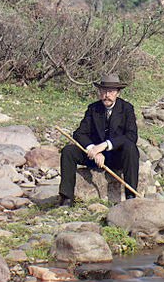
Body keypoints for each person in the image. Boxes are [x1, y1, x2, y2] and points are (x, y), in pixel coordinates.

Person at [58, 73, 139, 206]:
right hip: (94, 157)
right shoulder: (93, 109)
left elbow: (131, 136)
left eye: (111, 91)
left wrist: (105, 145)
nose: (107, 95)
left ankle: (130, 197)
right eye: (104, 91)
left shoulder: (127, 109)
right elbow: (79, 133)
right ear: (99, 92)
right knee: (68, 151)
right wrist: (93, 149)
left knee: (131, 149)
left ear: (117, 93)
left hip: (117, 157)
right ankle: (66, 198)